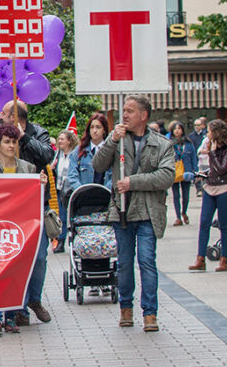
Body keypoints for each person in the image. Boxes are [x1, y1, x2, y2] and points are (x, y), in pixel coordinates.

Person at [92, 96, 175, 332]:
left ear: (143, 115)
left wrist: (133, 182)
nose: (124, 115)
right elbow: (98, 165)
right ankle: (125, 308)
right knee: (125, 264)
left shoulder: (162, 144)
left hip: (148, 212)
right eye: (123, 111)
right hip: (122, 211)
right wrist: (111, 140)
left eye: (130, 111)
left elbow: (166, 176)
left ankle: (150, 313)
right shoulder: (118, 139)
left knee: (147, 262)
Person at [0, 124, 47, 336]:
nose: (11, 145)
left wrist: (41, 185)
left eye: (14, 141)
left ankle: (11, 317)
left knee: (15, 272)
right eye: (6, 142)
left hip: (19, 228)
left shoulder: (28, 168)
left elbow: (34, 197)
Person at [0, 100, 53, 327]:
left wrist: (24, 138)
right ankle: (18, 307)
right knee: (14, 259)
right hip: (8, 211)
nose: (0, 115)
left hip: (36, 208)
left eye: (5, 113)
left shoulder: (39, 133)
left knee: (38, 257)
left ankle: (34, 300)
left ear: (16, 117)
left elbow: (46, 156)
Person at [189, 119, 227, 273]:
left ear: (216, 133)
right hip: (210, 188)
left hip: (225, 189)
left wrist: (211, 152)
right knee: (204, 223)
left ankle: (224, 260)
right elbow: (214, 169)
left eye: (209, 131)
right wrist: (204, 174)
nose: (207, 134)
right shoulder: (212, 148)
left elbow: (222, 169)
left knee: (224, 224)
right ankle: (200, 258)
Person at [67, 114, 111, 193]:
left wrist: (104, 192)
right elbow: (72, 176)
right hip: (83, 199)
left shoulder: (111, 151)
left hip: (105, 199)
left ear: (104, 130)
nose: (94, 130)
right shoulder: (78, 151)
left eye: (98, 127)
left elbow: (114, 177)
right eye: (92, 127)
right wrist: (82, 192)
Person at [52, 130, 79, 253]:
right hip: (60, 189)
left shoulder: (75, 155)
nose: (59, 141)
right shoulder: (58, 155)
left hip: (71, 190)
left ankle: (75, 241)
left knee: (73, 217)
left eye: (62, 139)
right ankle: (61, 241)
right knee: (61, 217)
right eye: (59, 139)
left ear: (69, 141)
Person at [168, 121, 197, 226]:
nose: (177, 130)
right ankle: (178, 217)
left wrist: (195, 170)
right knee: (176, 195)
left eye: (179, 128)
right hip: (173, 171)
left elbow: (193, 157)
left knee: (186, 195)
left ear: (182, 130)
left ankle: (184, 212)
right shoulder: (169, 143)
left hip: (186, 171)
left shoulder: (188, 143)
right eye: (175, 129)